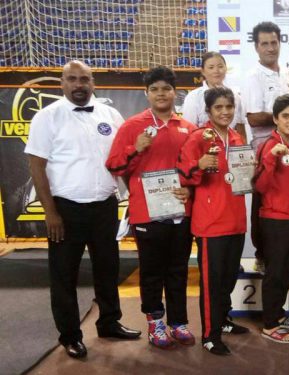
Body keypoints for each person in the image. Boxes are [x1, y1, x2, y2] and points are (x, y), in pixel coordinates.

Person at [26, 60, 140, 359]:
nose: (79, 85)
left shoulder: (111, 114)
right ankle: (70, 335)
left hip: (105, 205)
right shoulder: (46, 117)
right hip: (65, 209)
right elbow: (36, 166)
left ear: (93, 82)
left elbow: (122, 159)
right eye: (72, 79)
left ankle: (109, 322)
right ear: (62, 83)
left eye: (85, 79)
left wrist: (134, 199)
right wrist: (50, 212)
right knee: (64, 275)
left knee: (108, 268)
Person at [106, 66, 196, 350]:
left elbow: (193, 169)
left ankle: (178, 322)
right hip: (147, 213)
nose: (161, 94)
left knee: (179, 270)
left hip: (180, 211)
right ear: (146, 93)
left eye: (166, 89)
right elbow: (114, 165)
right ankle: (155, 323)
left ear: (174, 92)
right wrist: (136, 147)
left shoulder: (188, 128)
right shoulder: (133, 126)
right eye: (154, 89)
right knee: (152, 271)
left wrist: (189, 188)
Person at [178, 87, 249, 355]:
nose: (225, 112)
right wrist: (199, 163)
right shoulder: (199, 137)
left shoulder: (236, 137)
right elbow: (183, 173)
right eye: (219, 108)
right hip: (210, 223)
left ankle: (223, 320)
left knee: (229, 277)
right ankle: (209, 334)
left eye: (228, 107)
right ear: (208, 111)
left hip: (235, 219)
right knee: (212, 281)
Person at [253, 94, 289, 343]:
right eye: (285, 116)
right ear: (275, 119)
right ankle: (270, 324)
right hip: (274, 219)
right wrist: (272, 157)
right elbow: (261, 187)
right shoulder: (267, 145)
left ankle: (279, 312)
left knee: (286, 271)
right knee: (275, 273)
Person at [243, 22, 289, 150]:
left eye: (274, 43)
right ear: (256, 47)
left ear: (279, 44)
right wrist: (288, 116)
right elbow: (254, 119)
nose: (271, 48)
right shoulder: (252, 76)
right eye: (265, 44)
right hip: (266, 147)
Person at [181, 52, 247, 141]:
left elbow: (240, 129)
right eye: (211, 67)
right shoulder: (193, 97)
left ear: (226, 69)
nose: (216, 71)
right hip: (202, 147)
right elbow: (189, 129)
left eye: (220, 66)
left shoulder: (235, 97)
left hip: (230, 148)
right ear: (203, 71)